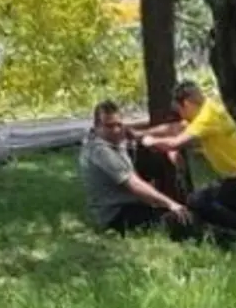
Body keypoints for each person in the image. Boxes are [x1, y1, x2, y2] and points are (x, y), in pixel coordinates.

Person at [136, 81, 236, 245]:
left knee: (198, 202)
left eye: (179, 110)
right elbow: (174, 128)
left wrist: (149, 141)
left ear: (185, 103)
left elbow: (175, 142)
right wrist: (139, 133)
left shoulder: (207, 117)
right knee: (200, 199)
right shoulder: (208, 109)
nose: (181, 116)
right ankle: (232, 224)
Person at [79, 100, 196, 239]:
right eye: (109, 126)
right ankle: (211, 232)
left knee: (160, 153)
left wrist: (170, 149)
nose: (116, 130)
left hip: (133, 204)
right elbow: (133, 184)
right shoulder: (100, 150)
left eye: (119, 124)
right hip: (117, 214)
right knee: (177, 222)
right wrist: (170, 204)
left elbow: (163, 130)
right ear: (97, 127)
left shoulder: (114, 139)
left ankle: (188, 204)